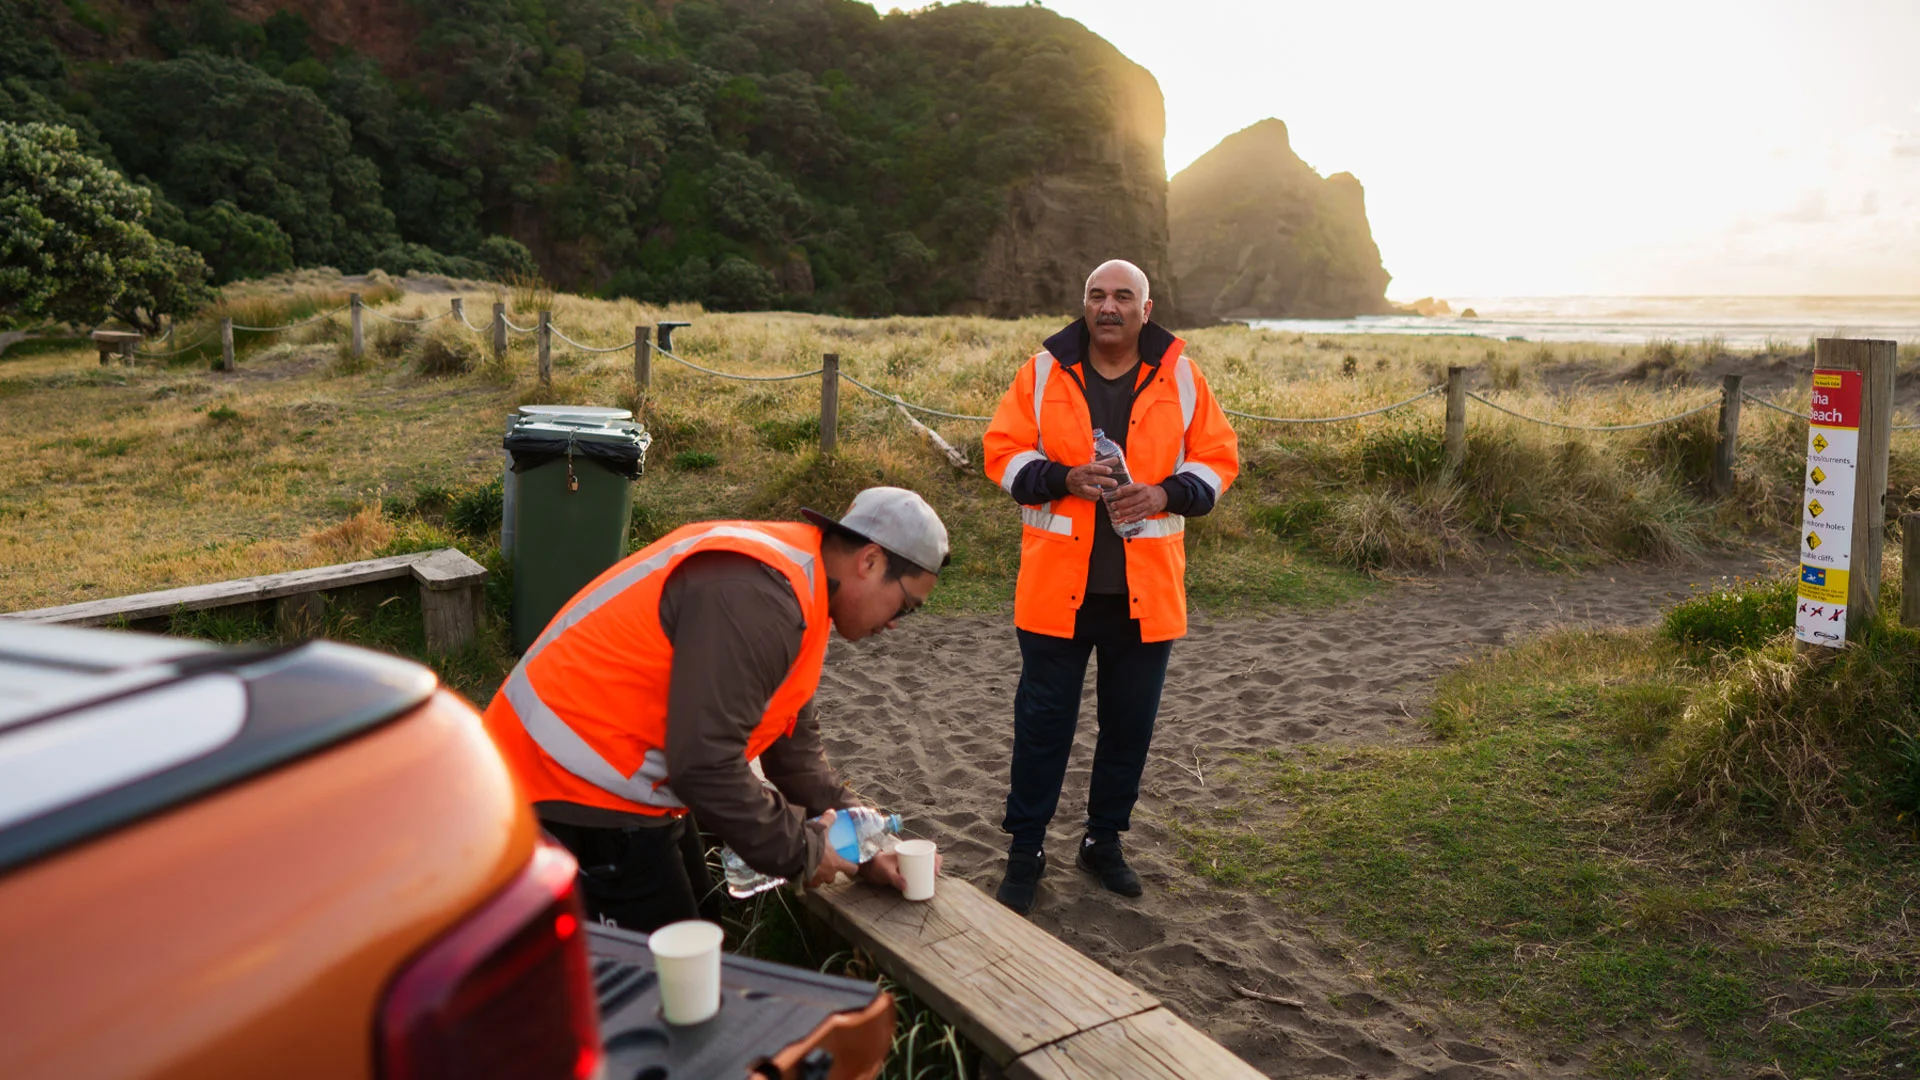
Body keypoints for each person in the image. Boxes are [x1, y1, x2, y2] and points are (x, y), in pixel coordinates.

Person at [480, 487, 950, 933]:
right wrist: (804, 849)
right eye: (906, 606)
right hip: (558, 785)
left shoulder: (801, 591)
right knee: (668, 980)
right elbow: (705, 765)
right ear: (870, 561)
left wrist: (869, 846)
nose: (894, 624)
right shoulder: (763, 599)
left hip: (610, 777)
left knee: (703, 928)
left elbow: (794, 754)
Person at [981, 259, 1240, 915]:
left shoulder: (1181, 373)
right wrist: (1061, 478)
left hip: (1144, 597)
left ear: (1146, 309)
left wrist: (1163, 492)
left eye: (1123, 296)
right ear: (1084, 305)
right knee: (1043, 730)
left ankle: (1103, 842)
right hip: (1052, 595)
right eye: (1097, 295)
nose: (1109, 306)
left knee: (1128, 731)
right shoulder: (1043, 370)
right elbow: (1001, 450)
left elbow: (1217, 458)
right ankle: (1026, 851)